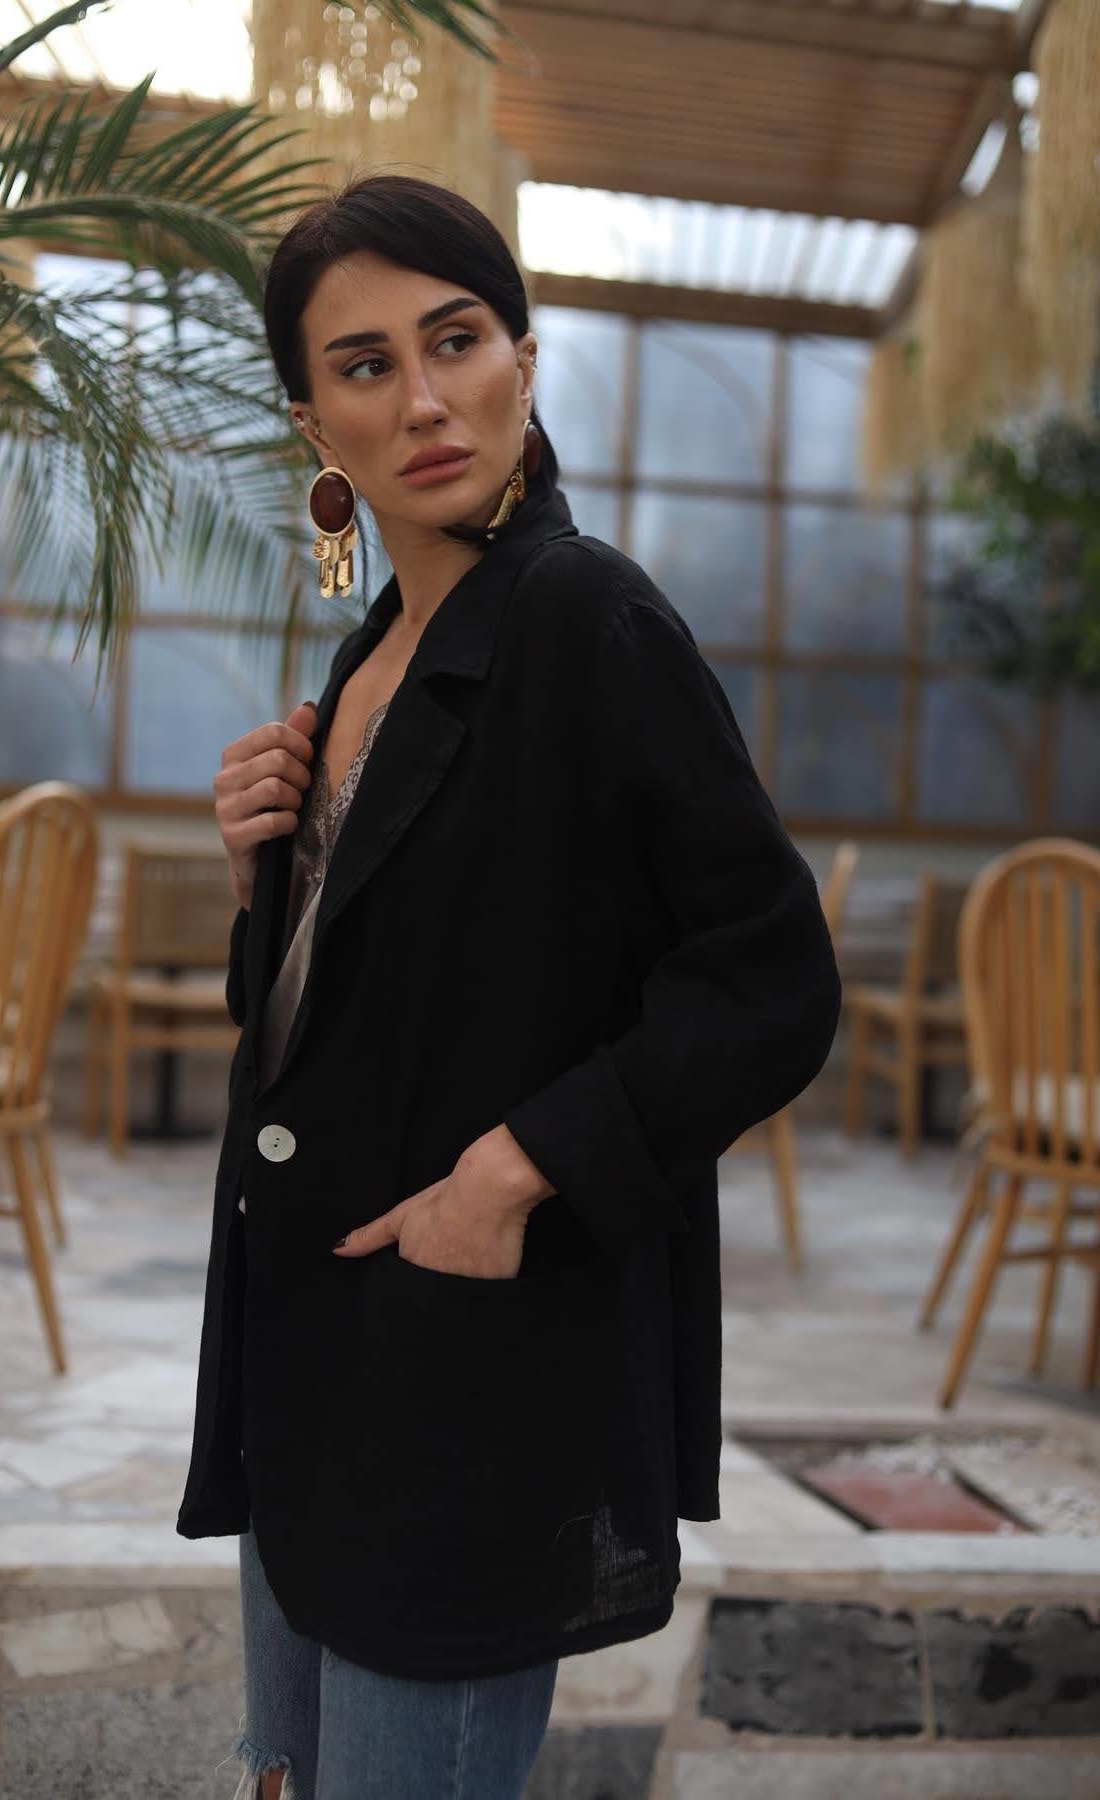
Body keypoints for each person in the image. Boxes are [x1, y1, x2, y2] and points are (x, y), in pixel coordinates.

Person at [178, 173, 842, 1800]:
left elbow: (770, 978)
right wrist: (267, 879)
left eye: (457, 340)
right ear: (312, 425)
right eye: (364, 365)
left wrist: (514, 1172)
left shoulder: (588, 617)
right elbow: (355, 1011)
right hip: (314, 1358)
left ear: (524, 362)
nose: (422, 400)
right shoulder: (375, 653)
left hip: (465, 1375)